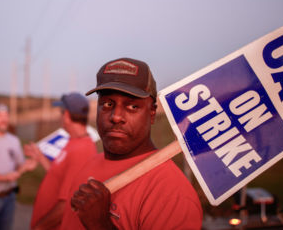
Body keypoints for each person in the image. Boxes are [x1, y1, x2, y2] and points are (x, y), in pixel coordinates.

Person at [60, 58, 203, 229]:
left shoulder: (172, 194)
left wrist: (100, 225)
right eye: (107, 104)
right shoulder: (89, 165)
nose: (116, 116)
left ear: (151, 113)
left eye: (132, 106)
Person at [25, 92, 98, 230]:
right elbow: (58, 173)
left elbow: (68, 203)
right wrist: (40, 156)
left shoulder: (82, 150)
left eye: (61, 112)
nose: (60, 116)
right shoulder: (74, 141)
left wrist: (39, 227)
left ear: (67, 115)